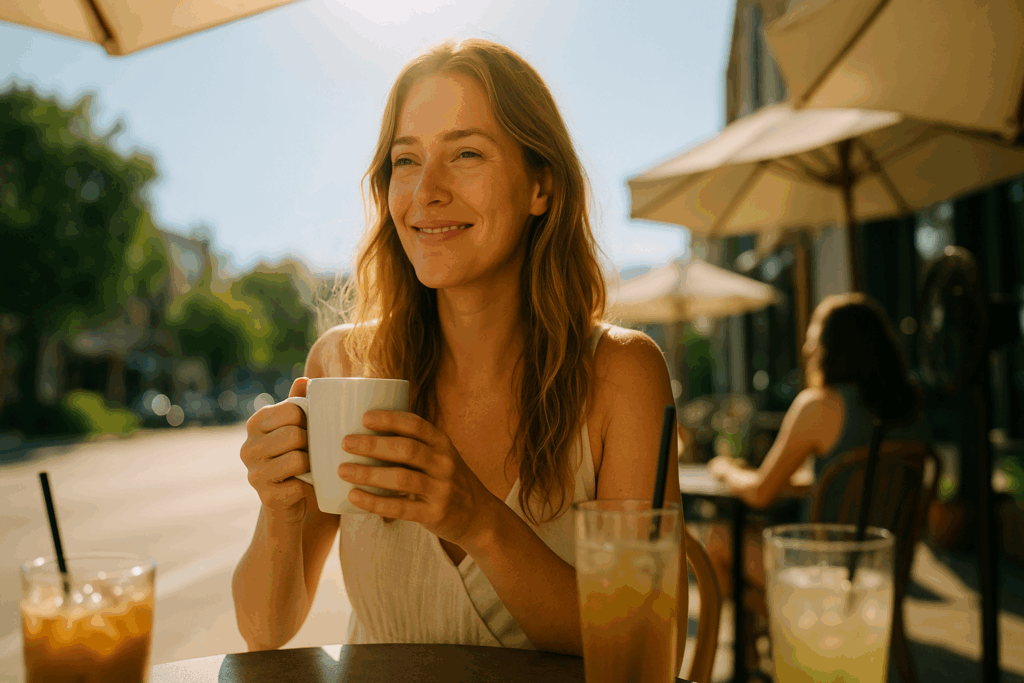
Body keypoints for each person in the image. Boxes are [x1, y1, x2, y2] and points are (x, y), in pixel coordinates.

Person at [231, 38, 688, 670]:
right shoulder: (341, 365)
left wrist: (479, 522)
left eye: (466, 153)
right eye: (406, 161)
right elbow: (264, 630)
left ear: (542, 187)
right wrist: (279, 510)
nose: (426, 192)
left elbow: (644, 641)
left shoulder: (621, 374)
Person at [704, 291, 926, 595]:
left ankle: (785, 629)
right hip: (883, 568)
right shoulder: (911, 408)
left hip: (819, 571)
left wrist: (724, 469)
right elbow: (860, 479)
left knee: (717, 538)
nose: (807, 349)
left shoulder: (819, 405)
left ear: (834, 349)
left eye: (814, 339)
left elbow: (759, 493)